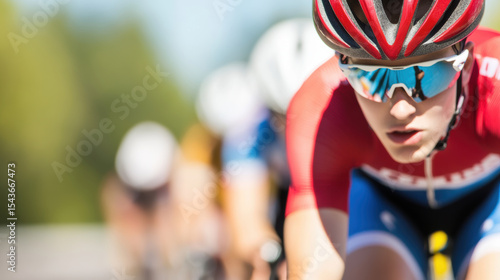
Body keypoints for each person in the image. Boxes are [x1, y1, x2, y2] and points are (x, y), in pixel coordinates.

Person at [284, 1, 500, 280]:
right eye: (370, 78)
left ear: (466, 65)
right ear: (344, 70)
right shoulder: (323, 107)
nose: (400, 109)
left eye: (428, 75)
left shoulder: (494, 89)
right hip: (382, 205)